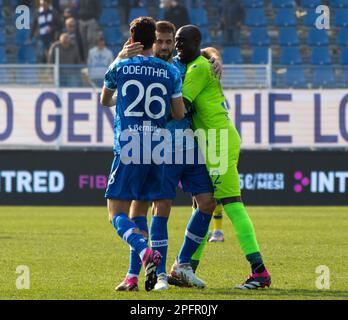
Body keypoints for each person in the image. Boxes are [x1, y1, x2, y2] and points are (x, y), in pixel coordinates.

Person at [113, 21, 225, 291]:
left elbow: (204, 48)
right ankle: (158, 274)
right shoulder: (149, 69)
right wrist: (120, 56)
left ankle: (182, 265)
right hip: (160, 147)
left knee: (208, 202)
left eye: (168, 42)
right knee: (159, 208)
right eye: (160, 42)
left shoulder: (180, 64)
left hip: (187, 142)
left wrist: (215, 56)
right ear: (153, 42)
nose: (164, 47)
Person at [173, 25, 272, 290]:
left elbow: (180, 106)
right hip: (211, 141)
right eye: (176, 41)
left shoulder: (197, 69)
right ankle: (187, 268)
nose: (178, 45)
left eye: (183, 41)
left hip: (217, 141)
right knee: (202, 206)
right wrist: (213, 53)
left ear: (195, 42)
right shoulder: (200, 61)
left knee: (231, 204)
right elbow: (207, 52)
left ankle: (259, 272)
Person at [100, 17, 185, 292]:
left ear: (133, 40)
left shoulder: (121, 66)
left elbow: (104, 100)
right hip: (158, 147)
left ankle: (144, 251)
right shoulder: (170, 72)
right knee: (139, 211)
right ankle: (132, 277)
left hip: (129, 144)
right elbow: (180, 112)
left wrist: (120, 56)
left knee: (115, 213)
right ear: (153, 40)